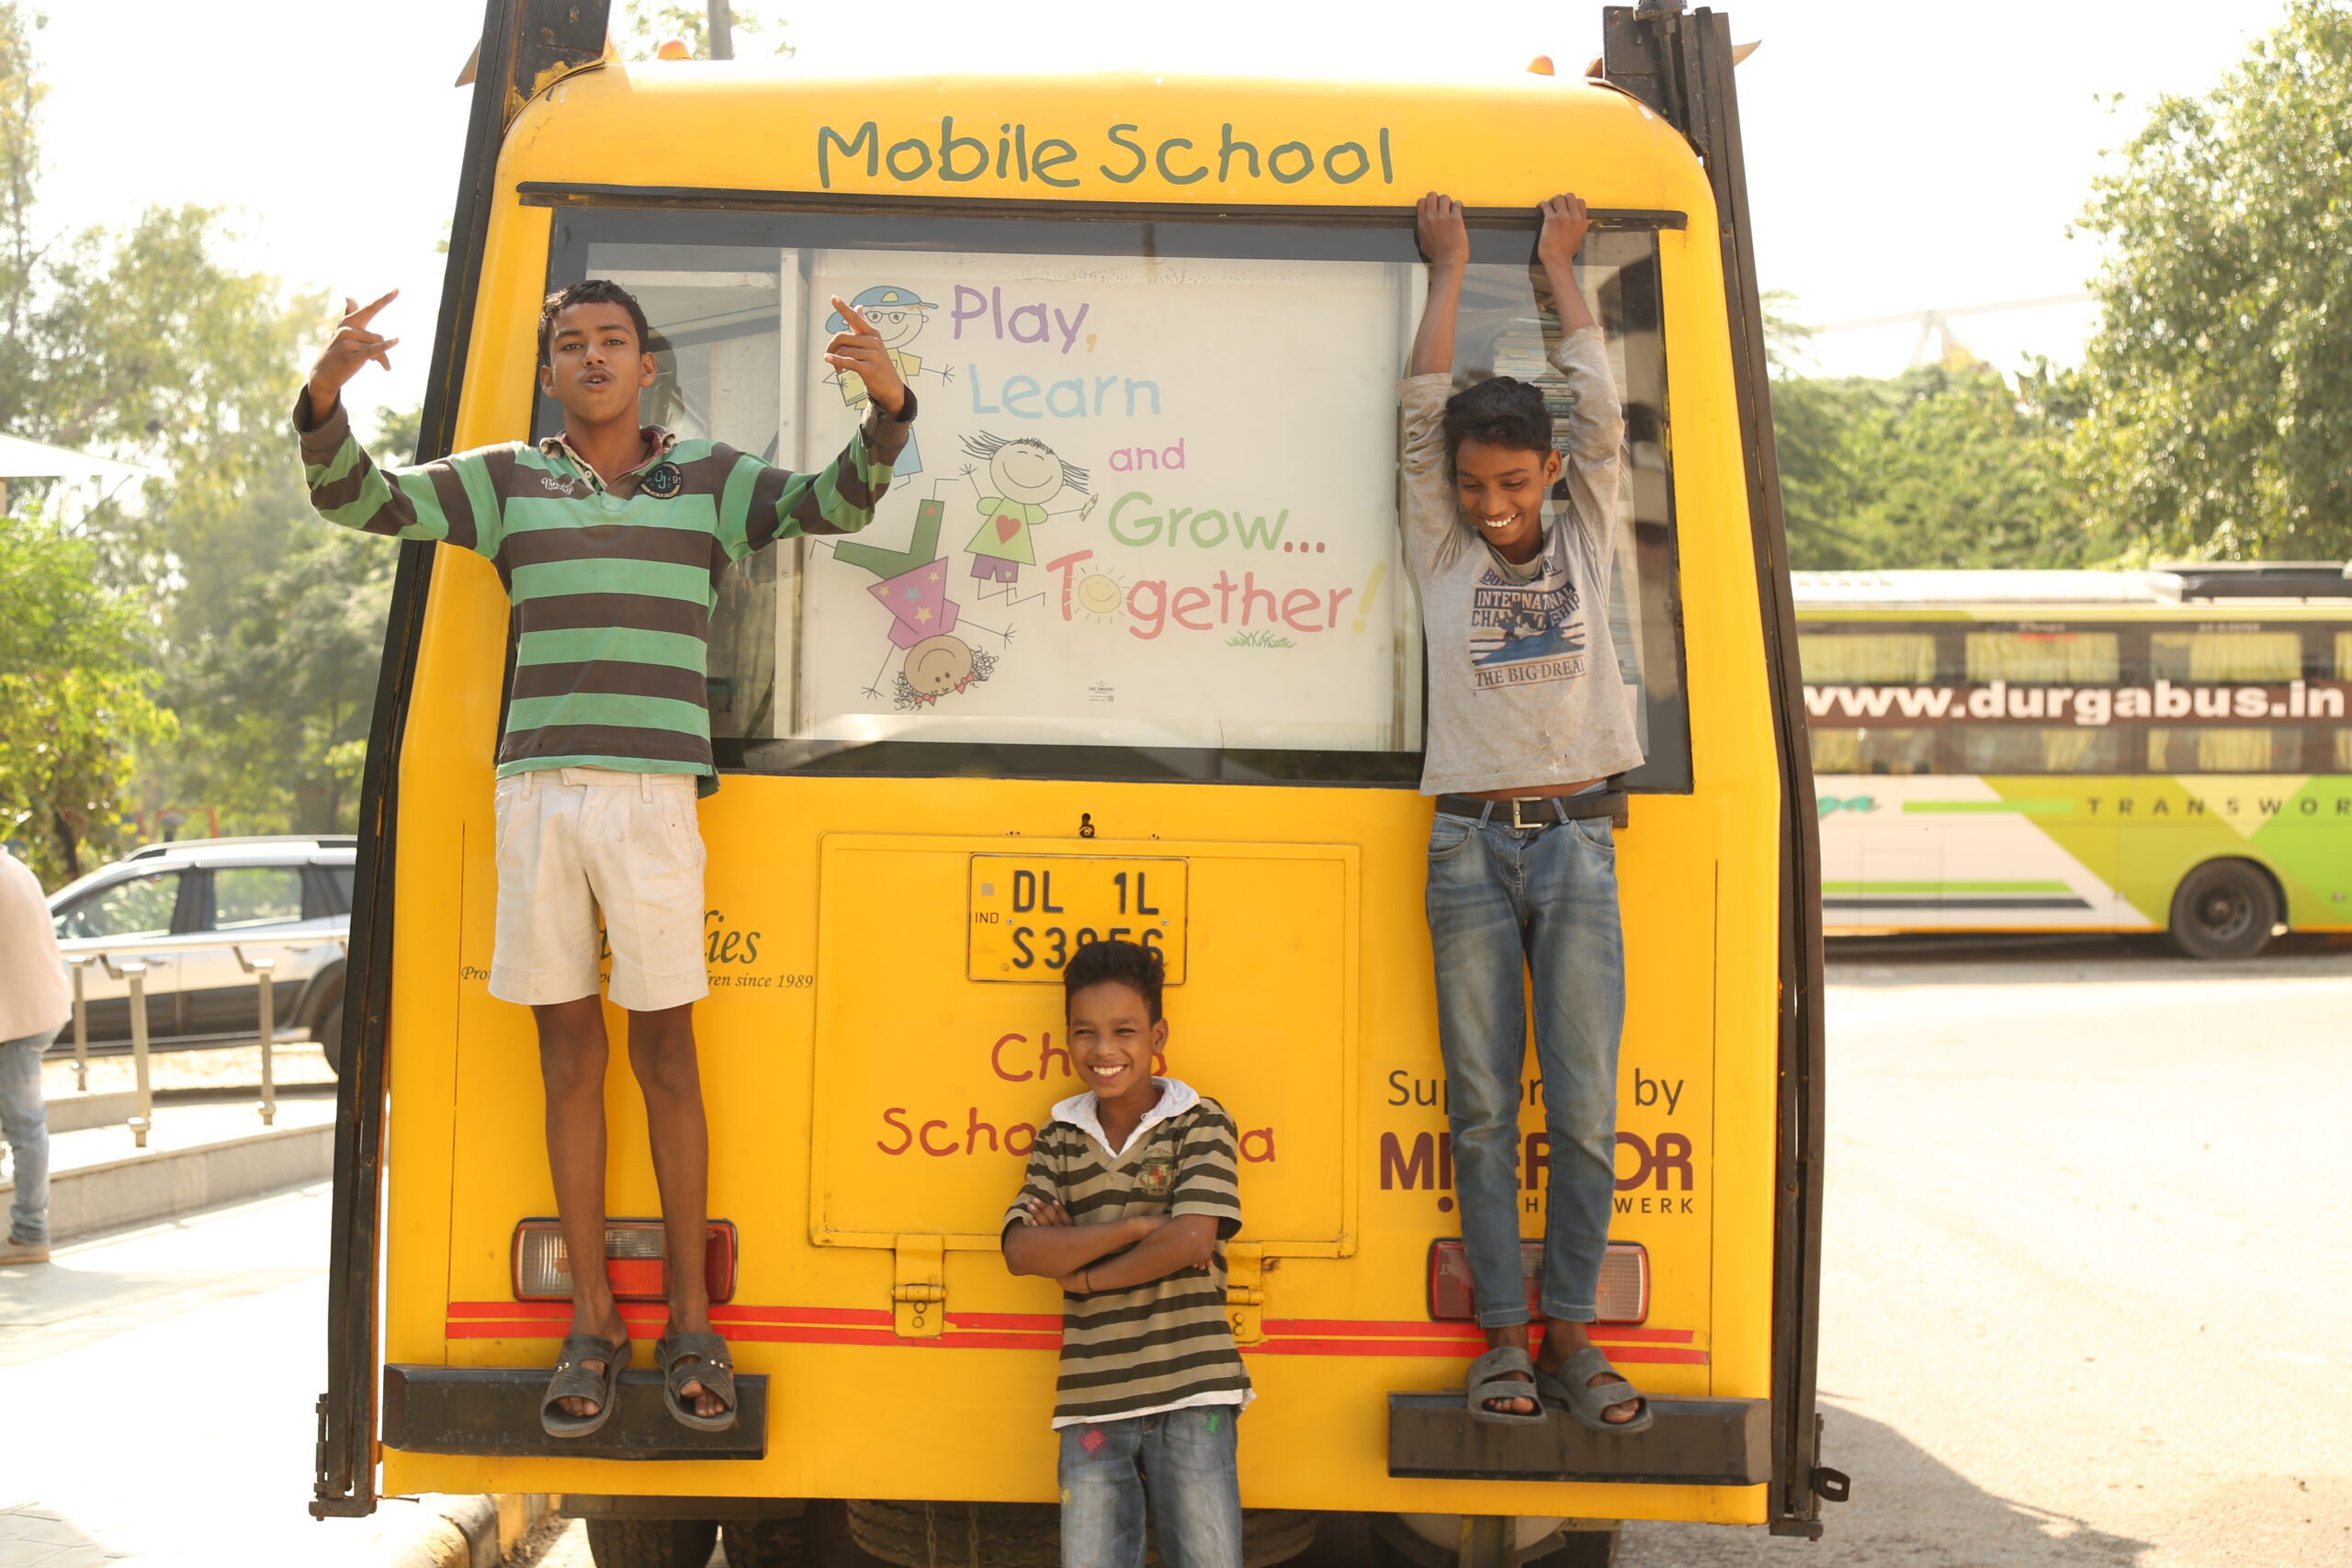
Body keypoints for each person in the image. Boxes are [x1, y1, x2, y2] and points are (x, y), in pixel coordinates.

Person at [294, 277, 917, 1436]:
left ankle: (693, 1322)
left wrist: (884, 411)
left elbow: (835, 504)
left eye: (611, 341)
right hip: (536, 796)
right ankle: (590, 1321)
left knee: (666, 1057)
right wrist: (325, 394)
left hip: (652, 801)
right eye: (570, 343)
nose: (591, 357)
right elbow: (360, 502)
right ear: (549, 373)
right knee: (566, 1058)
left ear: (646, 366)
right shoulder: (505, 480)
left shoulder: (712, 481)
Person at [1400, 191, 1652, 1433]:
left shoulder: (1588, 536)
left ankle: (1572, 1334)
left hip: (1577, 847)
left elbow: (1598, 408)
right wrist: (1448, 269)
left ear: (1548, 473)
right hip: (1463, 849)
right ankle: (1503, 1337)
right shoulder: (1441, 549)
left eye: (1511, 480)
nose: (1492, 503)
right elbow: (1414, 418)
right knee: (1486, 1104)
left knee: (1590, 1106)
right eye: (1473, 483)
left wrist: (1560, 269)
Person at [1001, 940, 1249, 1568]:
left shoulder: (1201, 1120)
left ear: (1157, 1033)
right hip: (1091, 1400)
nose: (1104, 1049)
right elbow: (1023, 1248)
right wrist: (1140, 1228)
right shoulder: (1058, 1134)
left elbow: (1194, 1236)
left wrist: (1080, 1274)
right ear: (1066, 1038)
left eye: (1124, 1030)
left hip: (1195, 1393)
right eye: (1086, 1031)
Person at [0, 843, 69, 1266]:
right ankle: (29, 1231)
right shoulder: (14, 868)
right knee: (24, 1124)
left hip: (19, 1019)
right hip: (33, 1010)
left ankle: (31, 1234)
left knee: (25, 1127)